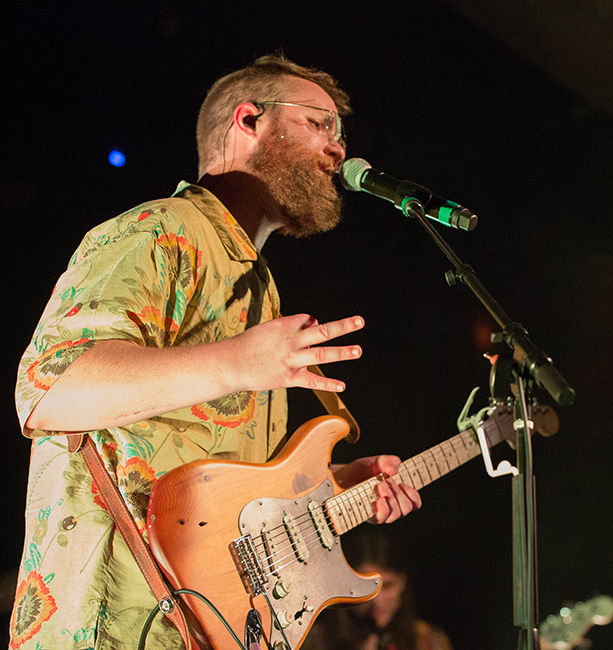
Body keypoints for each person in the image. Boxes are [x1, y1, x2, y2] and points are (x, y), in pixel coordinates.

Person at [9, 53, 422, 650]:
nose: (338, 150)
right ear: (249, 120)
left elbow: (229, 495)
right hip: (112, 627)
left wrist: (335, 488)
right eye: (320, 124)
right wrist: (236, 363)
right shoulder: (156, 230)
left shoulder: (262, 291)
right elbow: (47, 388)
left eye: (340, 133)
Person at [303, 529, 453, 650]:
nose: (377, 600)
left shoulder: (429, 640)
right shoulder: (316, 638)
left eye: (387, 586)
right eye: (364, 587)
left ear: (403, 582)